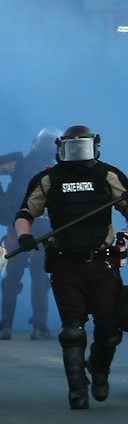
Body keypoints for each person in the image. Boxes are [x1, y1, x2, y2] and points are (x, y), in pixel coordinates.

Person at [12, 125, 128, 409]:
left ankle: (98, 371)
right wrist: (24, 235)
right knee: (72, 330)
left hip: (103, 262)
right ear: (60, 149)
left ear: (94, 146)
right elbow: (25, 212)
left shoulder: (109, 175)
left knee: (108, 330)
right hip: (66, 264)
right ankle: (77, 389)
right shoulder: (48, 179)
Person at [0, 128, 62, 340]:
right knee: (39, 278)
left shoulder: (20, 163)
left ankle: (6, 325)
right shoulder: (58, 169)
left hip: (16, 227)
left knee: (12, 278)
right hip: (42, 229)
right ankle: (39, 326)